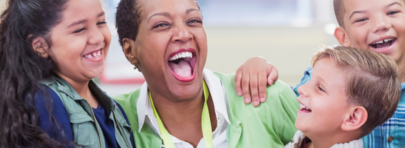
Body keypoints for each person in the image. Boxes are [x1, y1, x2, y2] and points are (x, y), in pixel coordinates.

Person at [235, 0, 405, 147]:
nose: (380, 24)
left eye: (392, 11)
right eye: (362, 19)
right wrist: (259, 64)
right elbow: (291, 116)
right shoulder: (315, 80)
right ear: (343, 37)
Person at [112, 0, 300, 147]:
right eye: (162, 24)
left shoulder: (267, 98)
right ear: (130, 51)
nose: (184, 34)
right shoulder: (112, 121)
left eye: (193, 21)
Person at [0, 0, 133, 147]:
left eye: (101, 22)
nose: (98, 37)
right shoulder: (46, 103)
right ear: (41, 46)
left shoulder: (113, 108)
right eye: (79, 29)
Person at [285, 46, 401, 148]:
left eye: (320, 88)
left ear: (352, 117)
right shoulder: (300, 139)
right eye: (310, 80)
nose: (302, 89)